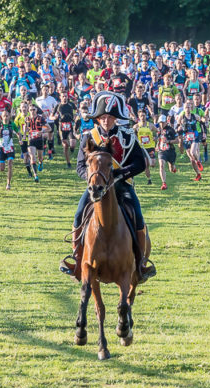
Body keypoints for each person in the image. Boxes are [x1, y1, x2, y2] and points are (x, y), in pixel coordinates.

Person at [63, 91, 156, 283]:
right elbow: (80, 166)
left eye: (110, 117)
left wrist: (120, 174)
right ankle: (77, 258)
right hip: (96, 188)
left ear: (116, 118)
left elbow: (140, 163)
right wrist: (92, 179)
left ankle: (141, 263)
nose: (106, 121)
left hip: (122, 186)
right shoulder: (90, 137)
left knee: (137, 216)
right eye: (103, 117)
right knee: (79, 213)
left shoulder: (128, 137)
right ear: (97, 119)